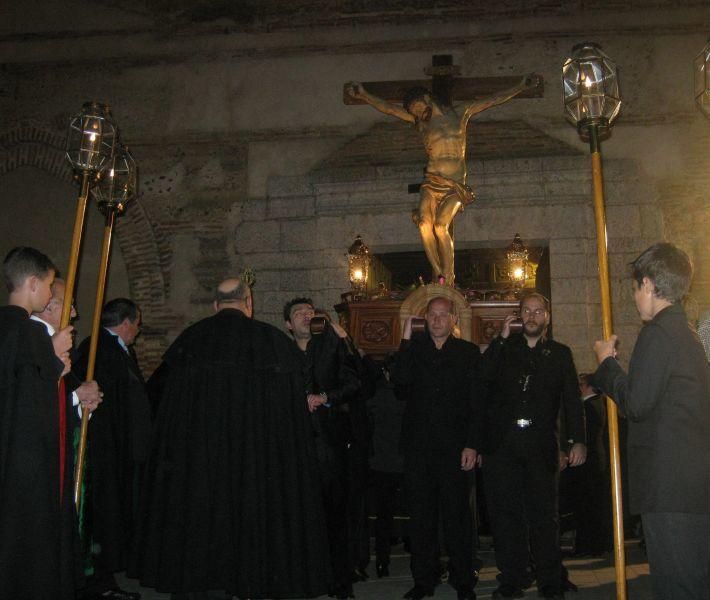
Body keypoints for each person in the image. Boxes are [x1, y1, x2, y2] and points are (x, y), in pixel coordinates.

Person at [132, 279, 330, 600]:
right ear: (248, 303)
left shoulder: (190, 341)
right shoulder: (274, 343)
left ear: (215, 305)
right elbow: (291, 423)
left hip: (199, 469)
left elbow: (158, 405)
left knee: (201, 530)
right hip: (258, 469)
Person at [591, 242, 710, 600]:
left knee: (678, 586)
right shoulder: (685, 334)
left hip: (669, 487)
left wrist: (606, 365)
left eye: (633, 288)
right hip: (688, 485)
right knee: (694, 581)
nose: (634, 297)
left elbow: (637, 404)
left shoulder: (659, 332)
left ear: (647, 284)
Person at [346, 75, 538, 285]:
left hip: (455, 185)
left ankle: (450, 274)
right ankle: (439, 273)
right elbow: (389, 108)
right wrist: (364, 96)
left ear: (427, 98)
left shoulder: (461, 113)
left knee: (440, 226)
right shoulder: (420, 123)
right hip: (432, 180)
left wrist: (520, 86)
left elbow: (492, 99)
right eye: (413, 112)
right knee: (424, 224)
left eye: (417, 107)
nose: (417, 114)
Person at [480, 292, 586, 600]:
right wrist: (499, 340)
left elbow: (571, 401)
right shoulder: (504, 350)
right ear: (518, 316)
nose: (532, 316)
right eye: (526, 311)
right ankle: (513, 579)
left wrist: (575, 440)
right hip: (503, 447)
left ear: (547, 318)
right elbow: (481, 379)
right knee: (506, 517)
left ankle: (550, 581)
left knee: (544, 517)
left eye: (538, 311)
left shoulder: (560, 353)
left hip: (541, 445)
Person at [0, 247, 80, 599]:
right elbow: (35, 405)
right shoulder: (31, 335)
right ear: (33, 284)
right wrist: (55, 360)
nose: (51, 294)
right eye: (49, 286)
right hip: (25, 460)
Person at [390, 296, 482, 600]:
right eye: (432, 315)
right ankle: (423, 581)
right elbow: (400, 387)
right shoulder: (413, 350)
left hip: (456, 449)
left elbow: (476, 404)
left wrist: (472, 444)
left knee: (458, 518)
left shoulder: (468, 353)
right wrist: (404, 339)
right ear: (424, 319)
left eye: (444, 315)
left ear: (454, 319)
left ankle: (463, 580)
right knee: (421, 518)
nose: (438, 320)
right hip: (419, 450)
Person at [284, 298, 362, 599]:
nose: (306, 315)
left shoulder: (330, 346)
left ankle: (340, 583)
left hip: (329, 448)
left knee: (334, 518)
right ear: (289, 325)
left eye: (310, 311)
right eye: (298, 313)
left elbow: (354, 383)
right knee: (300, 519)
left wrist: (325, 396)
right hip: (295, 448)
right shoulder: (283, 353)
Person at [74, 298, 151, 600]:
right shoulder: (99, 350)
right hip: (107, 450)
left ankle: (110, 573)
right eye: (137, 322)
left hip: (122, 448)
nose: (139, 329)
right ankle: (101, 580)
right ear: (126, 322)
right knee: (104, 514)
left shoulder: (116, 348)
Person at [568, 373, 612, 557]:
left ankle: (588, 546)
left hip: (589, 462)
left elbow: (585, 434)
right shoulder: (599, 403)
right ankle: (594, 544)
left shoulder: (587, 406)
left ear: (587, 386)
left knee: (586, 506)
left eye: (580, 384)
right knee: (593, 505)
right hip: (596, 460)